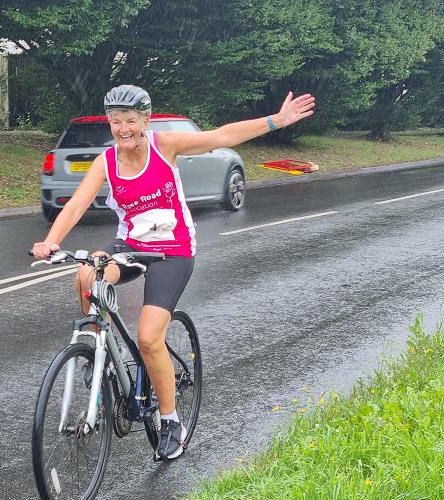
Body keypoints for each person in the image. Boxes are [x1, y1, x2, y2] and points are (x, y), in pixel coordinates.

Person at [32, 84, 315, 460]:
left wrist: (275, 121)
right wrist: (51, 241)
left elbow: (222, 136)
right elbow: (75, 207)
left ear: (145, 121)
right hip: (131, 245)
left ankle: (170, 421)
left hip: (173, 251)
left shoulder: (165, 146)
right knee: (87, 274)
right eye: (116, 122)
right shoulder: (106, 162)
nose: (123, 129)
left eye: (131, 121)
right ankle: (99, 349)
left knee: (149, 337)